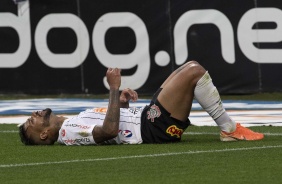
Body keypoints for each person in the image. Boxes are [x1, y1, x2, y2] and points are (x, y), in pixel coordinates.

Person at [18, 60, 264, 145]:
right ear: (43, 134)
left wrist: (121, 102)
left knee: (190, 69)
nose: (36, 113)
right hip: (152, 128)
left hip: (146, 119)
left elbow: (115, 125)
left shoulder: (69, 123)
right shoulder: (67, 132)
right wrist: (113, 88)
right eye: (33, 120)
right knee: (194, 71)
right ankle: (229, 130)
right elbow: (108, 131)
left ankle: (229, 129)